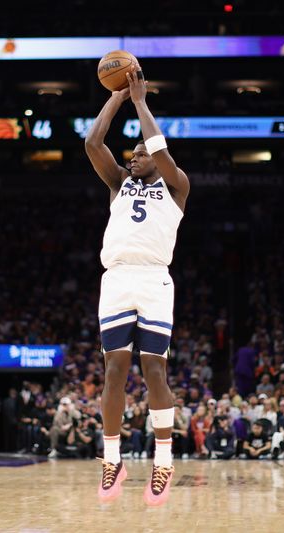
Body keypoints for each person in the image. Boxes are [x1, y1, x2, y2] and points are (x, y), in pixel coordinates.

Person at [86, 63, 190, 506]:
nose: (133, 157)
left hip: (153, 279)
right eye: (130, 153)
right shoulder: (119, 185)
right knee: (114, 370)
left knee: (154, 370)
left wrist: (143, 102)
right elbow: (93, 143)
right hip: (117, 278)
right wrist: (116, 97)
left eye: (140, 153)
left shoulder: (177, 186)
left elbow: (160, 149)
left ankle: (162, 461)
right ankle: (114, 459)